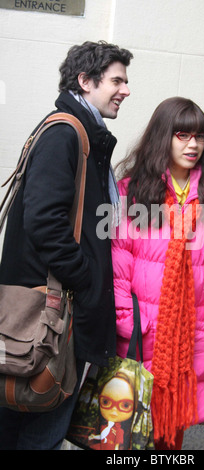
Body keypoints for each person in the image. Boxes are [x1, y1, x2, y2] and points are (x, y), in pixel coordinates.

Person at [0, 40, 133, 450]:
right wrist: (87, 278)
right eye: (117, 80)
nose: (125, 90)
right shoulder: (66, 134)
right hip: (52, 320)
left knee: (22, 427)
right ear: (85, 81)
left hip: (51, 315)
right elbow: (45, 221)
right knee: (40, 433)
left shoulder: (80, 134)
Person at [111, 97, 204, 450]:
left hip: (194, 332)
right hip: (142, 332)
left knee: (172, 435)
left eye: (200, 136)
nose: (193, 145)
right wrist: (126, 320)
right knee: (126, 436)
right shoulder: (131, 192)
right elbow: (117, 265)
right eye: (183, 135)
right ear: (163, 137)